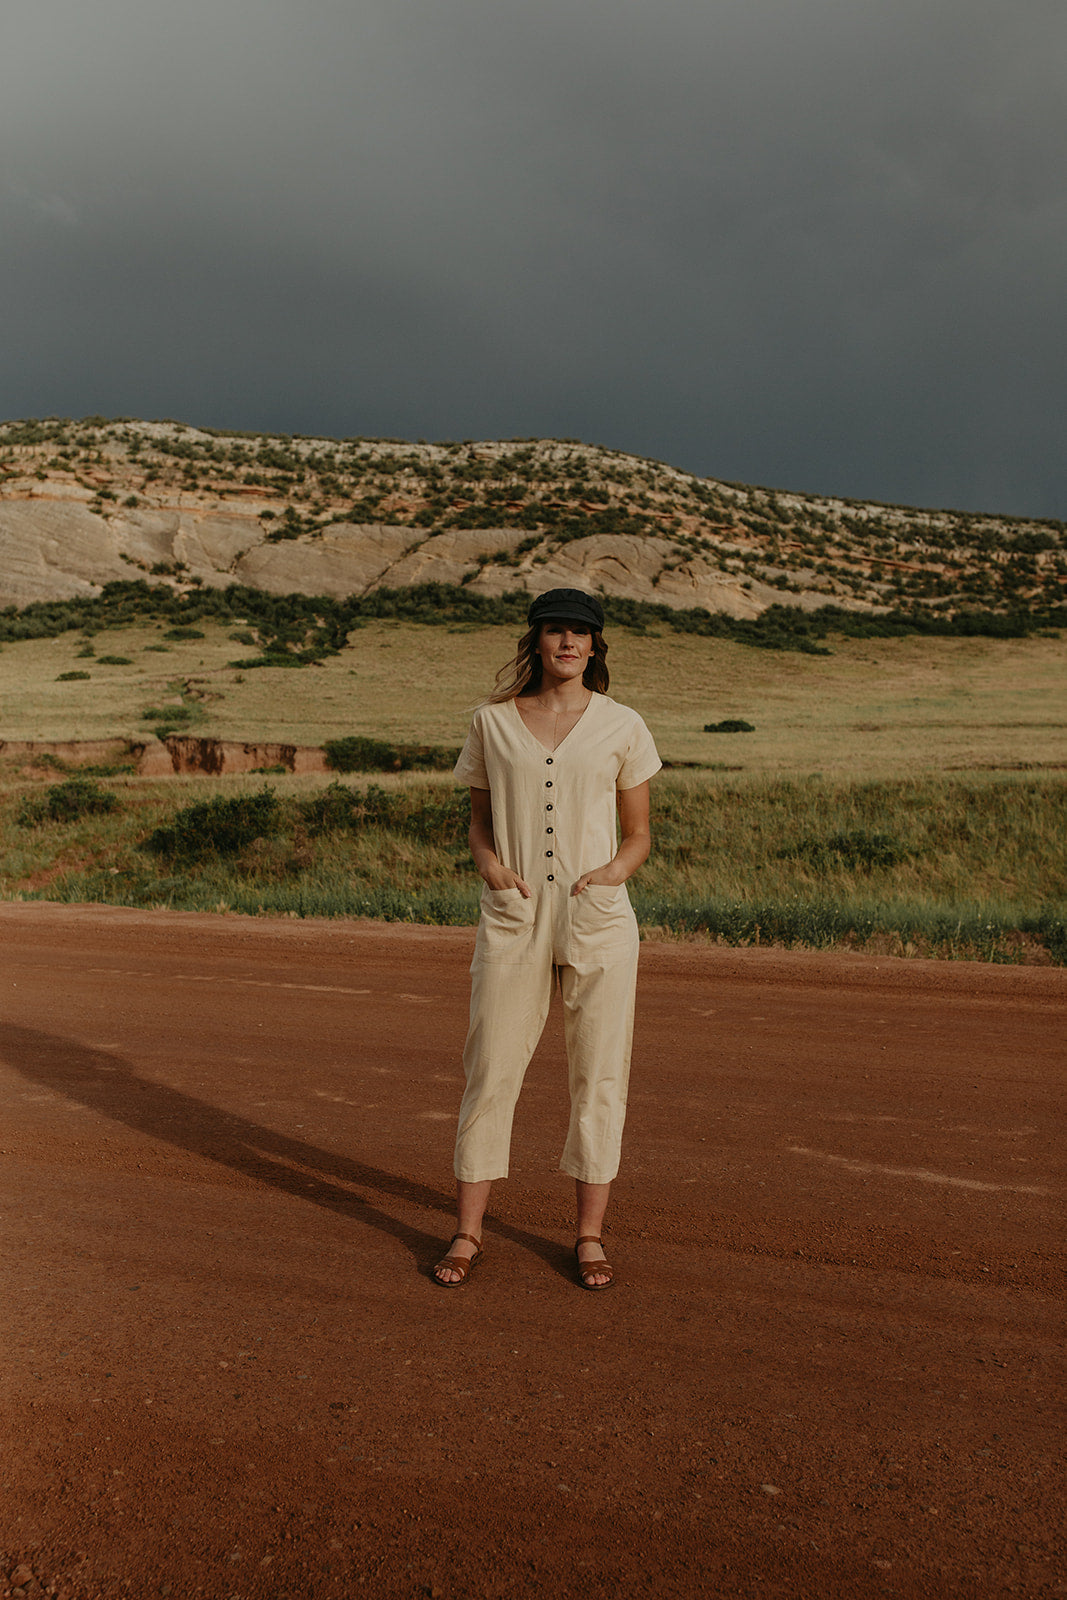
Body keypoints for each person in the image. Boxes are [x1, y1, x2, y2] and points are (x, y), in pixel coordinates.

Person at [434, 588, 661, 1290]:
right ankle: (467, 1231)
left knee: (599, 1074)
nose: (568, 643)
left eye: (580, 633)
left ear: (595, 646)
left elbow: (638, 833)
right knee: (490, 1067)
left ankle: (588, 1236)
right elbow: (478, 822)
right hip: (515, 912)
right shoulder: (491, 723)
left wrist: (611, 875)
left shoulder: (623, 724)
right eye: (556, 630)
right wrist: (490, 867)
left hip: (598, 916)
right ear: (535, 640)